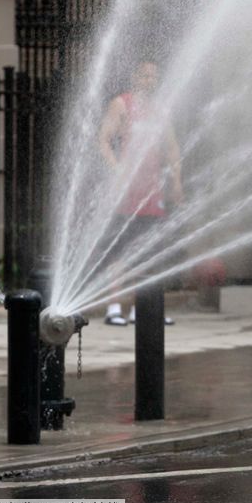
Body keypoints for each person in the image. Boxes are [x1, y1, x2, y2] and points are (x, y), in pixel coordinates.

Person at [98, 60, 183, 326]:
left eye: (154, 76)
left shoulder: (159, 111)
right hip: (126, 190)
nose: (150, 80)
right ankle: (114, 308)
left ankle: (142, 308)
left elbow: (171, 148)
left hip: (151, 188)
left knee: (146, 248)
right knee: (121, 250)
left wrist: (177, 181)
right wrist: (117, 170)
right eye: (145, 75)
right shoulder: (121, 104)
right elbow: (103, 140)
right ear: (134, 76)